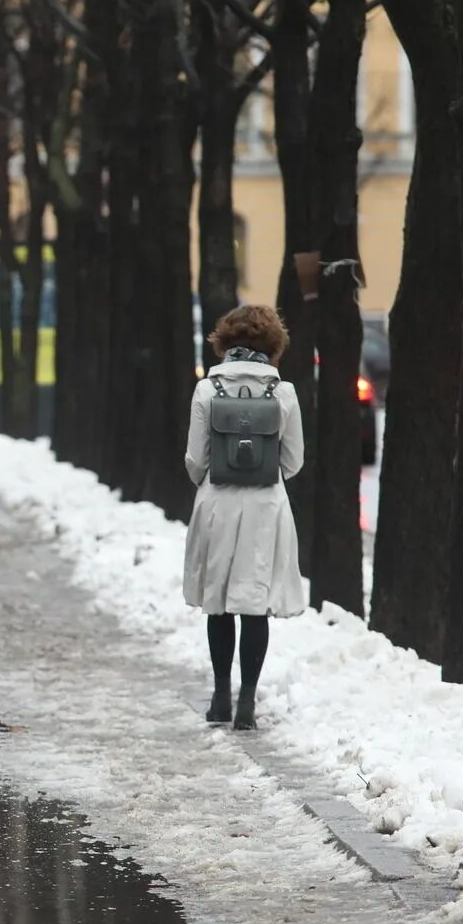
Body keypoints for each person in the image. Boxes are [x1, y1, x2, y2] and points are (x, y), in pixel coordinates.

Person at [183, 304, 306, 730]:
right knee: (254, 605)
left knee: (219, 603)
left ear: (224, 342)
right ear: (273, 346)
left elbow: (196, 461)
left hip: (217, 503)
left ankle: (220, 695)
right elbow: (292, 464)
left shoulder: (206, 390)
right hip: (265, 507)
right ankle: (247, 703)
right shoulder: (284, 393)